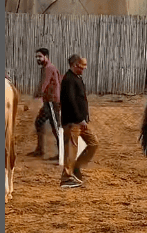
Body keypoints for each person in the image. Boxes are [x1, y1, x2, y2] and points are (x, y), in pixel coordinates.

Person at [59, 54, 99, 190]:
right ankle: (66, 178)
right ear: (75, 65)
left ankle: (76, 168)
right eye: (83, 66)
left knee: (93, 143)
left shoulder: (76, 78)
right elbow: (71, 102)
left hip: (80, 121)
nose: (85, 68)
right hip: (72, 122)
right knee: (71, 150)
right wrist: (80, 118)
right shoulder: (69, 79)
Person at [29, 48, 61, 158]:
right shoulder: (46, 68)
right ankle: (40, 150)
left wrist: (35, 96)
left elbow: (44, 84)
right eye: (36, 57)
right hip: (48, 101)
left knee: (55, 126)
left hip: (52, 101)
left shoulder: (49, 68)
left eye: (40, 56)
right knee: (39, 122)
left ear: (46, 56)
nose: (38, 59)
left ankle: (62, 153)